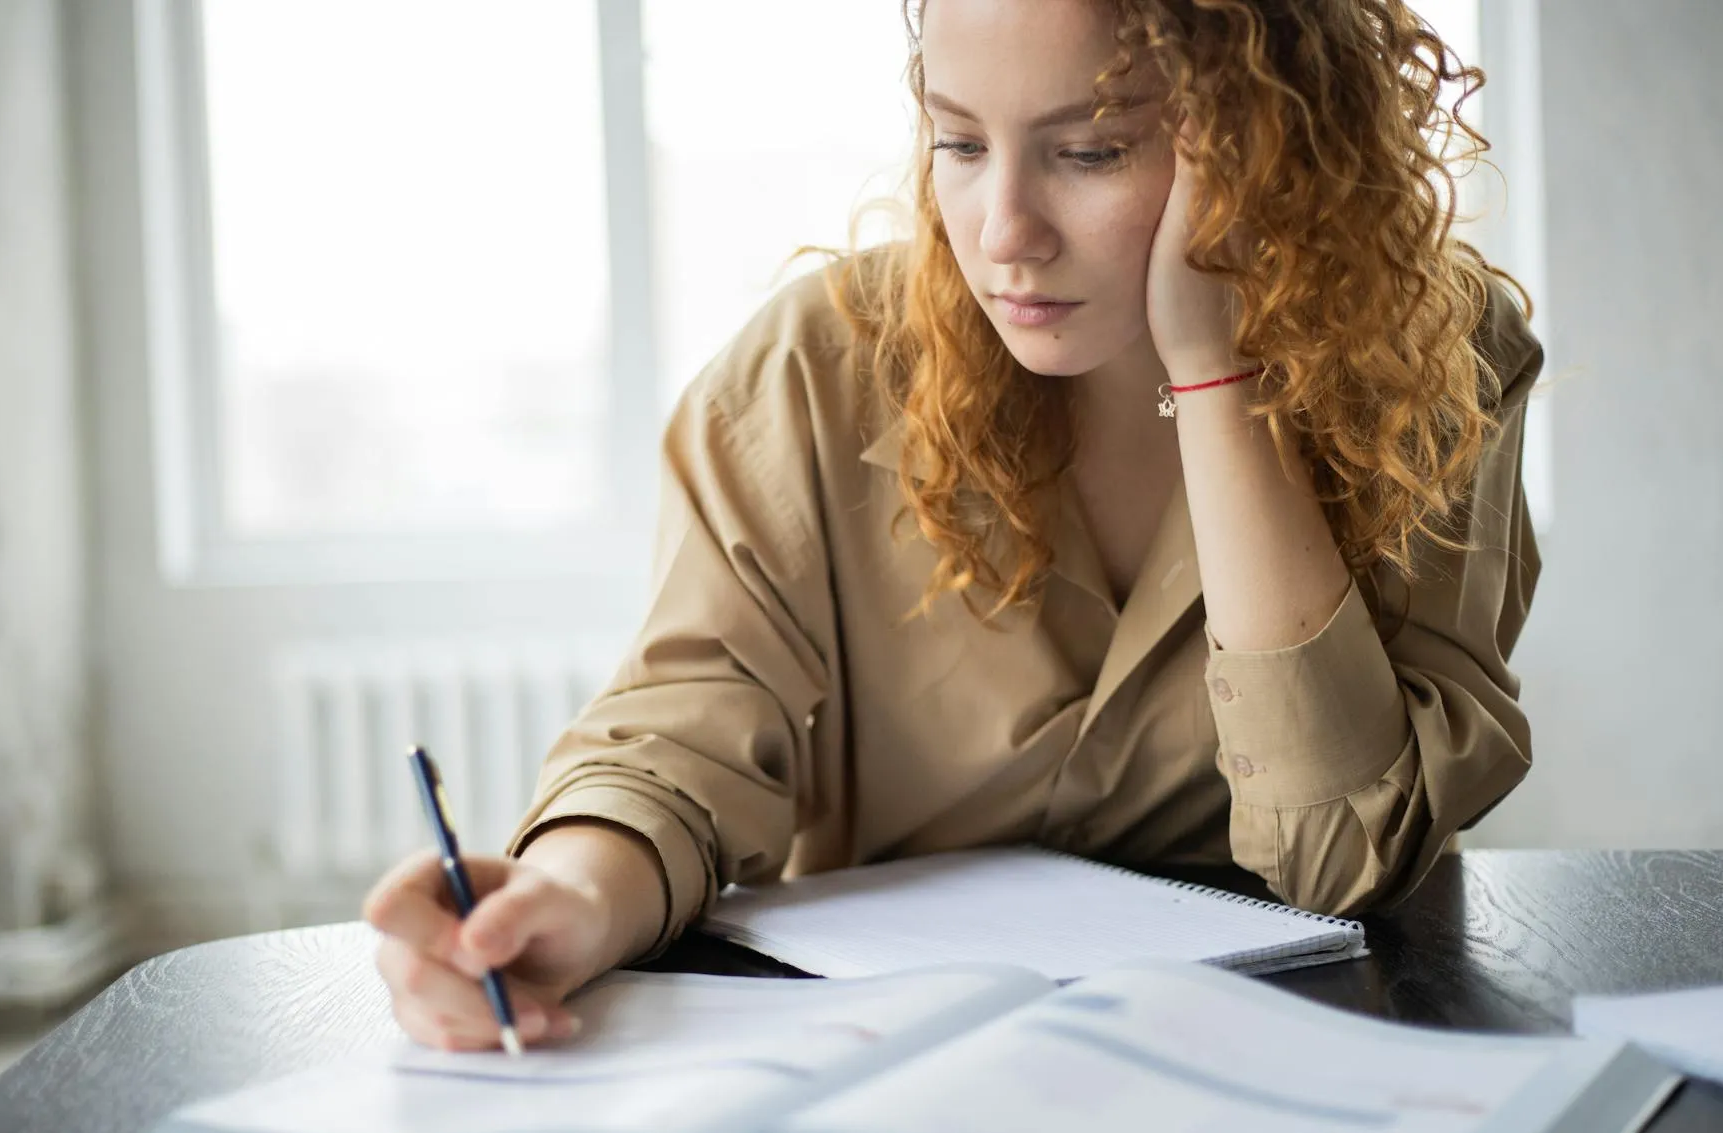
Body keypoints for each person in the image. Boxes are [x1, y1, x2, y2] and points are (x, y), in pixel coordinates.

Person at [364, 0, 1543, 1052]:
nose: (1002, 230)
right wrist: (565, 896)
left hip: (1285, 1061)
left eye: (1090, 151)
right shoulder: (817, 367)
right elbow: (679, 739)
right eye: (959, 143)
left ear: (1261, 141)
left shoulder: (1434, 355)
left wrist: (1213, 373)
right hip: (894, 1069)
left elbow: (1345, 850)